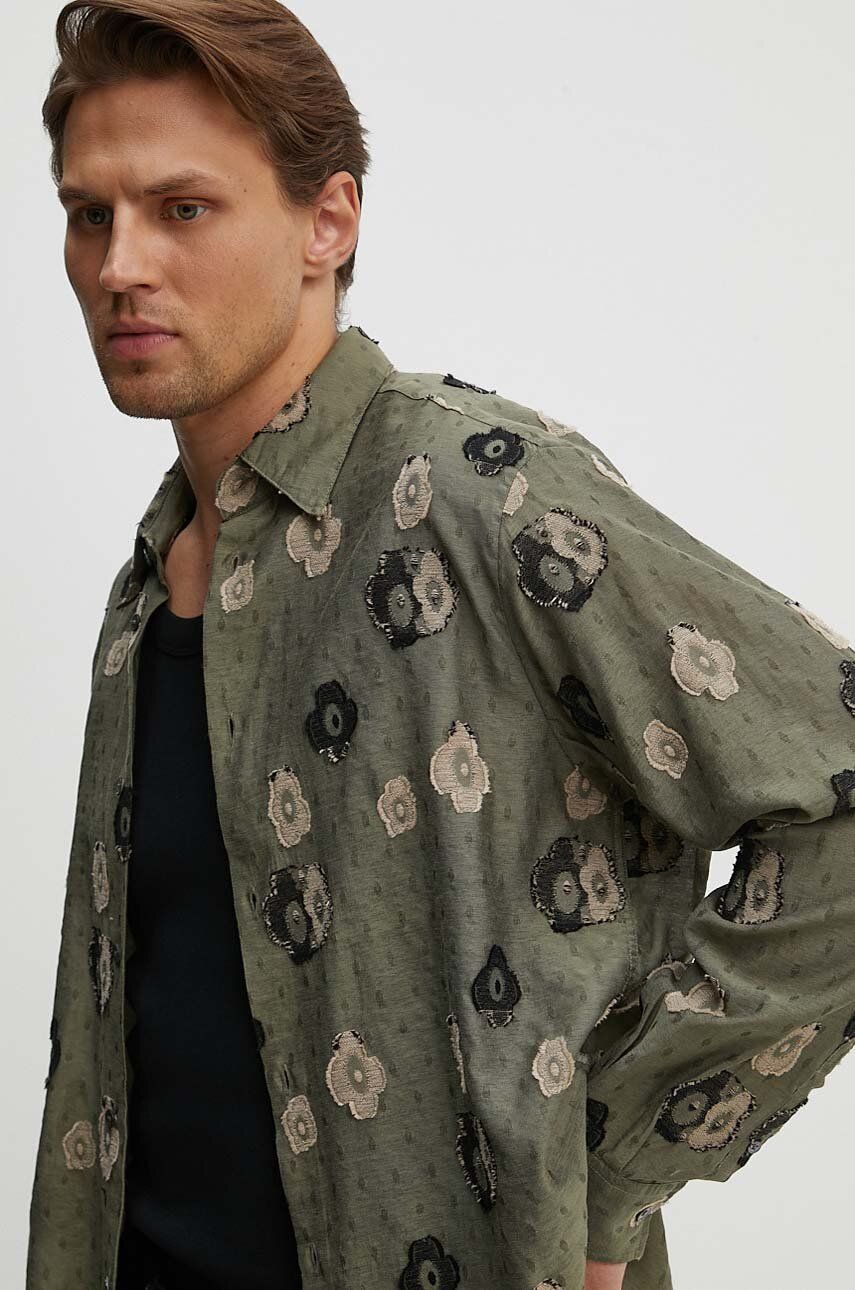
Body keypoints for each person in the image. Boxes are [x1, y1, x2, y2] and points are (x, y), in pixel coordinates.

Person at [27, 3, 855, 1290]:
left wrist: (615, 1173)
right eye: (90, 214)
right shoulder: (149, 584)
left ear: (328, 222)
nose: (120, 264)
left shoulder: (482, 493)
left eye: (182, 208)